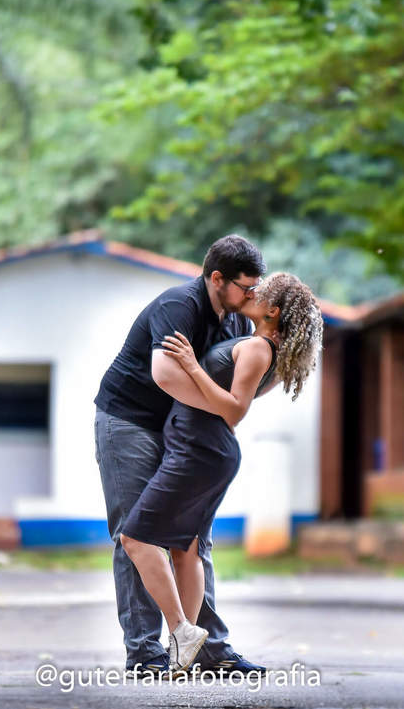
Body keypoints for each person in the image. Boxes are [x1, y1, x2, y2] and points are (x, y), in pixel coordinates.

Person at [118, 273, 323, 671]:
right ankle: (184, 654)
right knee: (186, 546)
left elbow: (233, 410)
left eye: (260, 293)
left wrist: (194, 367)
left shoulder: (259, 349)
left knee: (135, 539)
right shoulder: (256, 343)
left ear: (273, 312)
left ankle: (182, 630)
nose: (251, 293)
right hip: (201, 448)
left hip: (199, 450)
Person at [94, 235, 265, 675]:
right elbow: (166, 374)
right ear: (216, 279)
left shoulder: (239, 325)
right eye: (246, 287)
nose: (253, 295)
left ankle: (207, 648)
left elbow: (236, 391)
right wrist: (227, 407)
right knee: (137, 534)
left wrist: (231, 404)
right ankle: (145, 652)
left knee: (192, 538)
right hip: (128, 420)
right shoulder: (179, 305)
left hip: (179, 429)